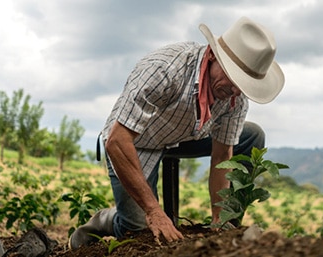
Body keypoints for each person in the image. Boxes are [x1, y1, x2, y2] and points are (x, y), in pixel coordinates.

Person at [69, 16, 285, 249]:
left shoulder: (235, 96)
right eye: (233, 79)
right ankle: (106, 219)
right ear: (213, 56)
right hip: (136, 141)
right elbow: (117, 141)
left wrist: (219, 221)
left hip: (184, 135)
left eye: (243, 85)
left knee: (252, 135)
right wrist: (154, 211)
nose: (235, 91)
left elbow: (223, 156)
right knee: (138, 230)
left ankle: (228, 226)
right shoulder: (164, 70)